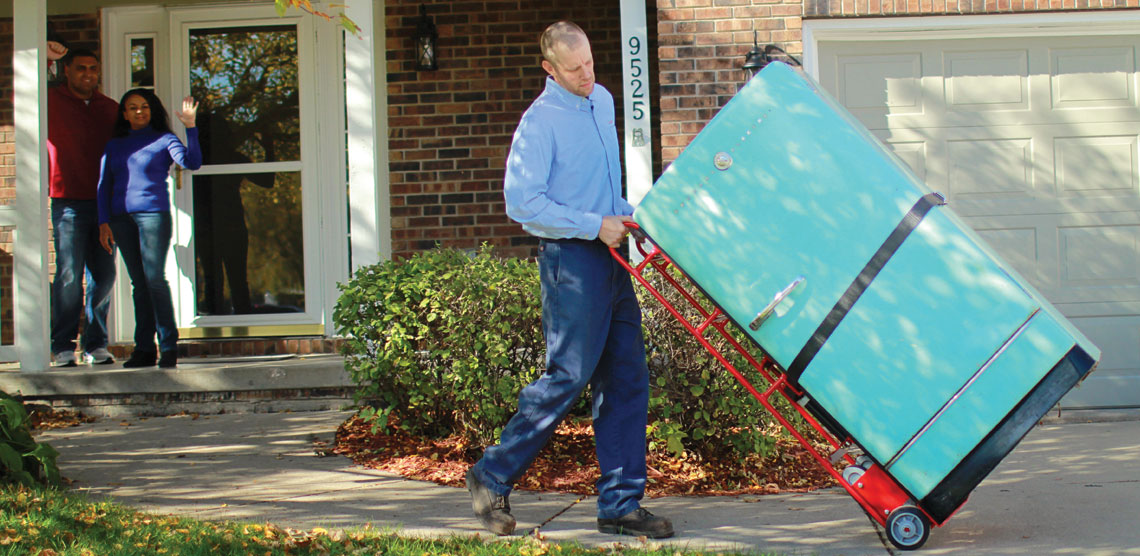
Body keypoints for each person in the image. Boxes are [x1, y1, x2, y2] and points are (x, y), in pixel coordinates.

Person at [465, 21, 674, 539]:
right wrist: (593, 225)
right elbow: (523, 204)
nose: (587, 75)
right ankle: (490, 475)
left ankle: (621, 505)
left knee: (626, 378)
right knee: (569, 375)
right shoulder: (539, 124)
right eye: (574, 68)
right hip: (571, 262)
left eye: (590, 64)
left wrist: (630, 216)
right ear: (549, 69)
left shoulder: (601, 100)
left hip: (610, 254)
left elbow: (601, 186)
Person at [96, 89, 202, 368]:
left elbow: (192, 163)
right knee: (139, 284)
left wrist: (190, 127)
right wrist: (103, 221)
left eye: (144, 107)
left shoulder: (165, 139)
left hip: (153, 215)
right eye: (132, 108)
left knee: (154, 279)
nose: (139, 111)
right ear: (124, 113)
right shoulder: (115, 144)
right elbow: (104, 184)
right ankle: (144, 349)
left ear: (152, 110)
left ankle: (168, 346)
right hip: (121, 219)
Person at [47, 48, 119, 367]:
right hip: (68, 201)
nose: (88, 74)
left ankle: (95, 344)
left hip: (106, 204)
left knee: (104, 275)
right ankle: (62, 345)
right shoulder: (48, 102)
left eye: (93, 69)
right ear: (66, 71)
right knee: (68, 276)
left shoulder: (110, 109)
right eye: (80, 69)